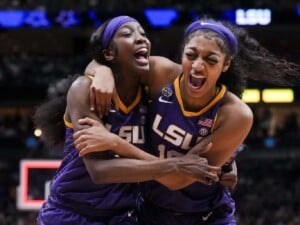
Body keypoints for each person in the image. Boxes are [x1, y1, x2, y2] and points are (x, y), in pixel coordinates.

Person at [74, 17, 300, 224]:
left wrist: (115, 143)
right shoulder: (160, 73)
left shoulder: (235, 114)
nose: (198, 66)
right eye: (191, 55)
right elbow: (114, 60)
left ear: (226, 64)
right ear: (182, 54)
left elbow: (176, 179)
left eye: (211, 60)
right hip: (150, 211)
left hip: (206, 217)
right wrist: (101, 71)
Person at [34, 16, 223, 225]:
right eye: (127, 34)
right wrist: (176, 165)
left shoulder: (152, 95)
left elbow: (208, 94)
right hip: (71, 213)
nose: (141, 38)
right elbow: (99, 171)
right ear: (109, 53)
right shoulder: (84, 89)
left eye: (143, 33)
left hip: (123, 215)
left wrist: (227, 159)